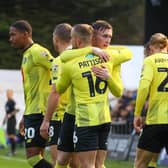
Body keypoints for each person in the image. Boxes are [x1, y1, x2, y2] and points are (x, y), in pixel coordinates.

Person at [58, 20, 132, 167]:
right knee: (64, 159)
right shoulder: (76, 55)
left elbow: (128, 53)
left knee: (88, 163)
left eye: (110, 37)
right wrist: (91, 50)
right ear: (92, 37)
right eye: (104, 36)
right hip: (73, 114)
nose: (108, 40)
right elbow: (127, 53)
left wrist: (96, 50)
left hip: (89, 117)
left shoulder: (108, 56)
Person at [9, 20, 53, 168]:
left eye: (13, 35)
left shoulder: (38, 52)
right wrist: (25, 115)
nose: (11, 39)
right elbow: (31, 89)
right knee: (37, 157)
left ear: (25, 34)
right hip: (31, 112)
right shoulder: (27, 54)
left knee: (33, 159)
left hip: (40, 112)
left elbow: (58, 68)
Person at [133, 33, 168, 168]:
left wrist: (137, 113)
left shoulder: (150, 60)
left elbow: (143, 88)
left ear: (152, 46)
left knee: (140, 163)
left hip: (156, 120)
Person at [47, 23, 73, 167]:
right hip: (79, 117)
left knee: (58, 163)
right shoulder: (81, 58)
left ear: (56, 39)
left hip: (61, 117)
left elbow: (55, 93)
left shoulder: (59, 61)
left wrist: (46, 120)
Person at [3, 89, 19, 156]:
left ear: (11, 94)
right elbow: (7, 113)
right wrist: (4, 119)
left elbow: (17, 109)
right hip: (9, 121)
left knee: (12, 135)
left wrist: (11, 114)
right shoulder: (7, 102)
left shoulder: (12, 102)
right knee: (9, 135)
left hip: (12, 120)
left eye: (9, 93)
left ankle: (13, 150)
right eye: (7, 93)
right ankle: (12, 150)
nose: (7, 94)